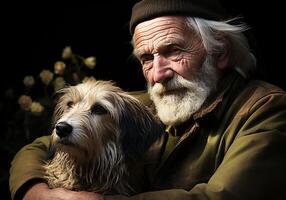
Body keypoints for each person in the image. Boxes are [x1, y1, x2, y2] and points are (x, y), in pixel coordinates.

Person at [9, 0, 286, 199]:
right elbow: (41, 145)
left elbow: (223, 196)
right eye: (146, 58)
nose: (158, 74)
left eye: (173, 50)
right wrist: (36, 191)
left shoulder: (266, 108)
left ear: (220, 52)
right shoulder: (149, 102)